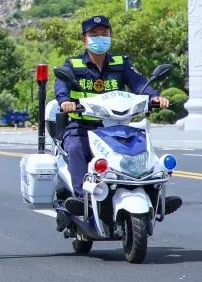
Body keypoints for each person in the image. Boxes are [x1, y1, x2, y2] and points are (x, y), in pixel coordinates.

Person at [54, 16, 169, 224]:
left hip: (116, 126)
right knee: (75, 148)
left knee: (141, 147)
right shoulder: (73, 64)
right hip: (83, 126)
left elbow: (139, 83)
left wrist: (154, 97)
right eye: (94, 35)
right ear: (85, 40)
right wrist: (65, 101)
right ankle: (81, 199)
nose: (100, 38)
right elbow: (61, 86)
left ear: (110, 36)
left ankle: (152, 193)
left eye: (104, 34)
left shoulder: (121, 63)